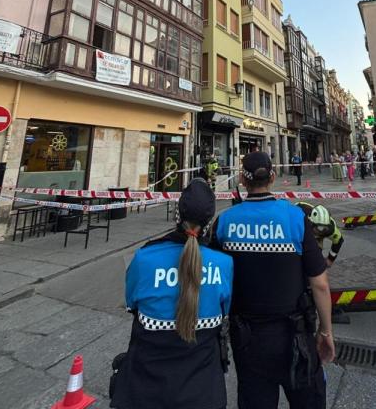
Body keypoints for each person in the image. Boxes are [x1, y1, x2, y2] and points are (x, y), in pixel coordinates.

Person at [212, 152, 334, 408]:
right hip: (294, 336)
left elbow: (213, 280)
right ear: (274, 177)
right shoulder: (295, 217)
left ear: (243, 181)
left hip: (247, 338)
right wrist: (326, 331)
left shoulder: (224, 221)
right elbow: (320, 283)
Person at [112, 178, 234, 409]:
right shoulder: (223, 264)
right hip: (203, 391)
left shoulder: (144, 258)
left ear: (178, 215)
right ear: (209, 223)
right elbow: (224, 309)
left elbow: (132, 304)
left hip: (146, 388)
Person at [295, 202, 344, 268]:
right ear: (311, 223)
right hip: (299, 218)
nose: (321, 231)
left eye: (325, 228)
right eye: (319, 228)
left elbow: (339, 241)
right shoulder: (300, 220)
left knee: (316, 255)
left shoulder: (331, 229)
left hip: (312, 229)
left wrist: (330, 259)